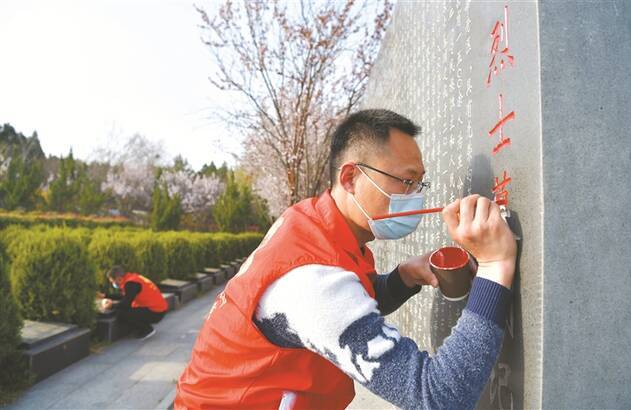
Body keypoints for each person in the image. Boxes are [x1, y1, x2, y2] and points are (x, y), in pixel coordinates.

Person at [174, 109, 517, 409]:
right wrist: (494, 266)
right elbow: (438, 397)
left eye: (419, 184)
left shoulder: (311, 222)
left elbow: (350, 305)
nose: (415, 196)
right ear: (351, 178)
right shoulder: (311, 280)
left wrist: (403, 277)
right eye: (406, 181)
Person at [103, 265, 168, 340]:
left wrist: (111, 305)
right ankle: (141, 328)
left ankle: (147, 330)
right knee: (128, 309)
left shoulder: (131, 284)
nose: (112, 284)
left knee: (122, 313)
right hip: (158, 309)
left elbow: (125, 304)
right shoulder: (132, 279)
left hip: (156, 312)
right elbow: (126, 296)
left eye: (112, 281)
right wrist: (105, 295)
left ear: (119, 279)